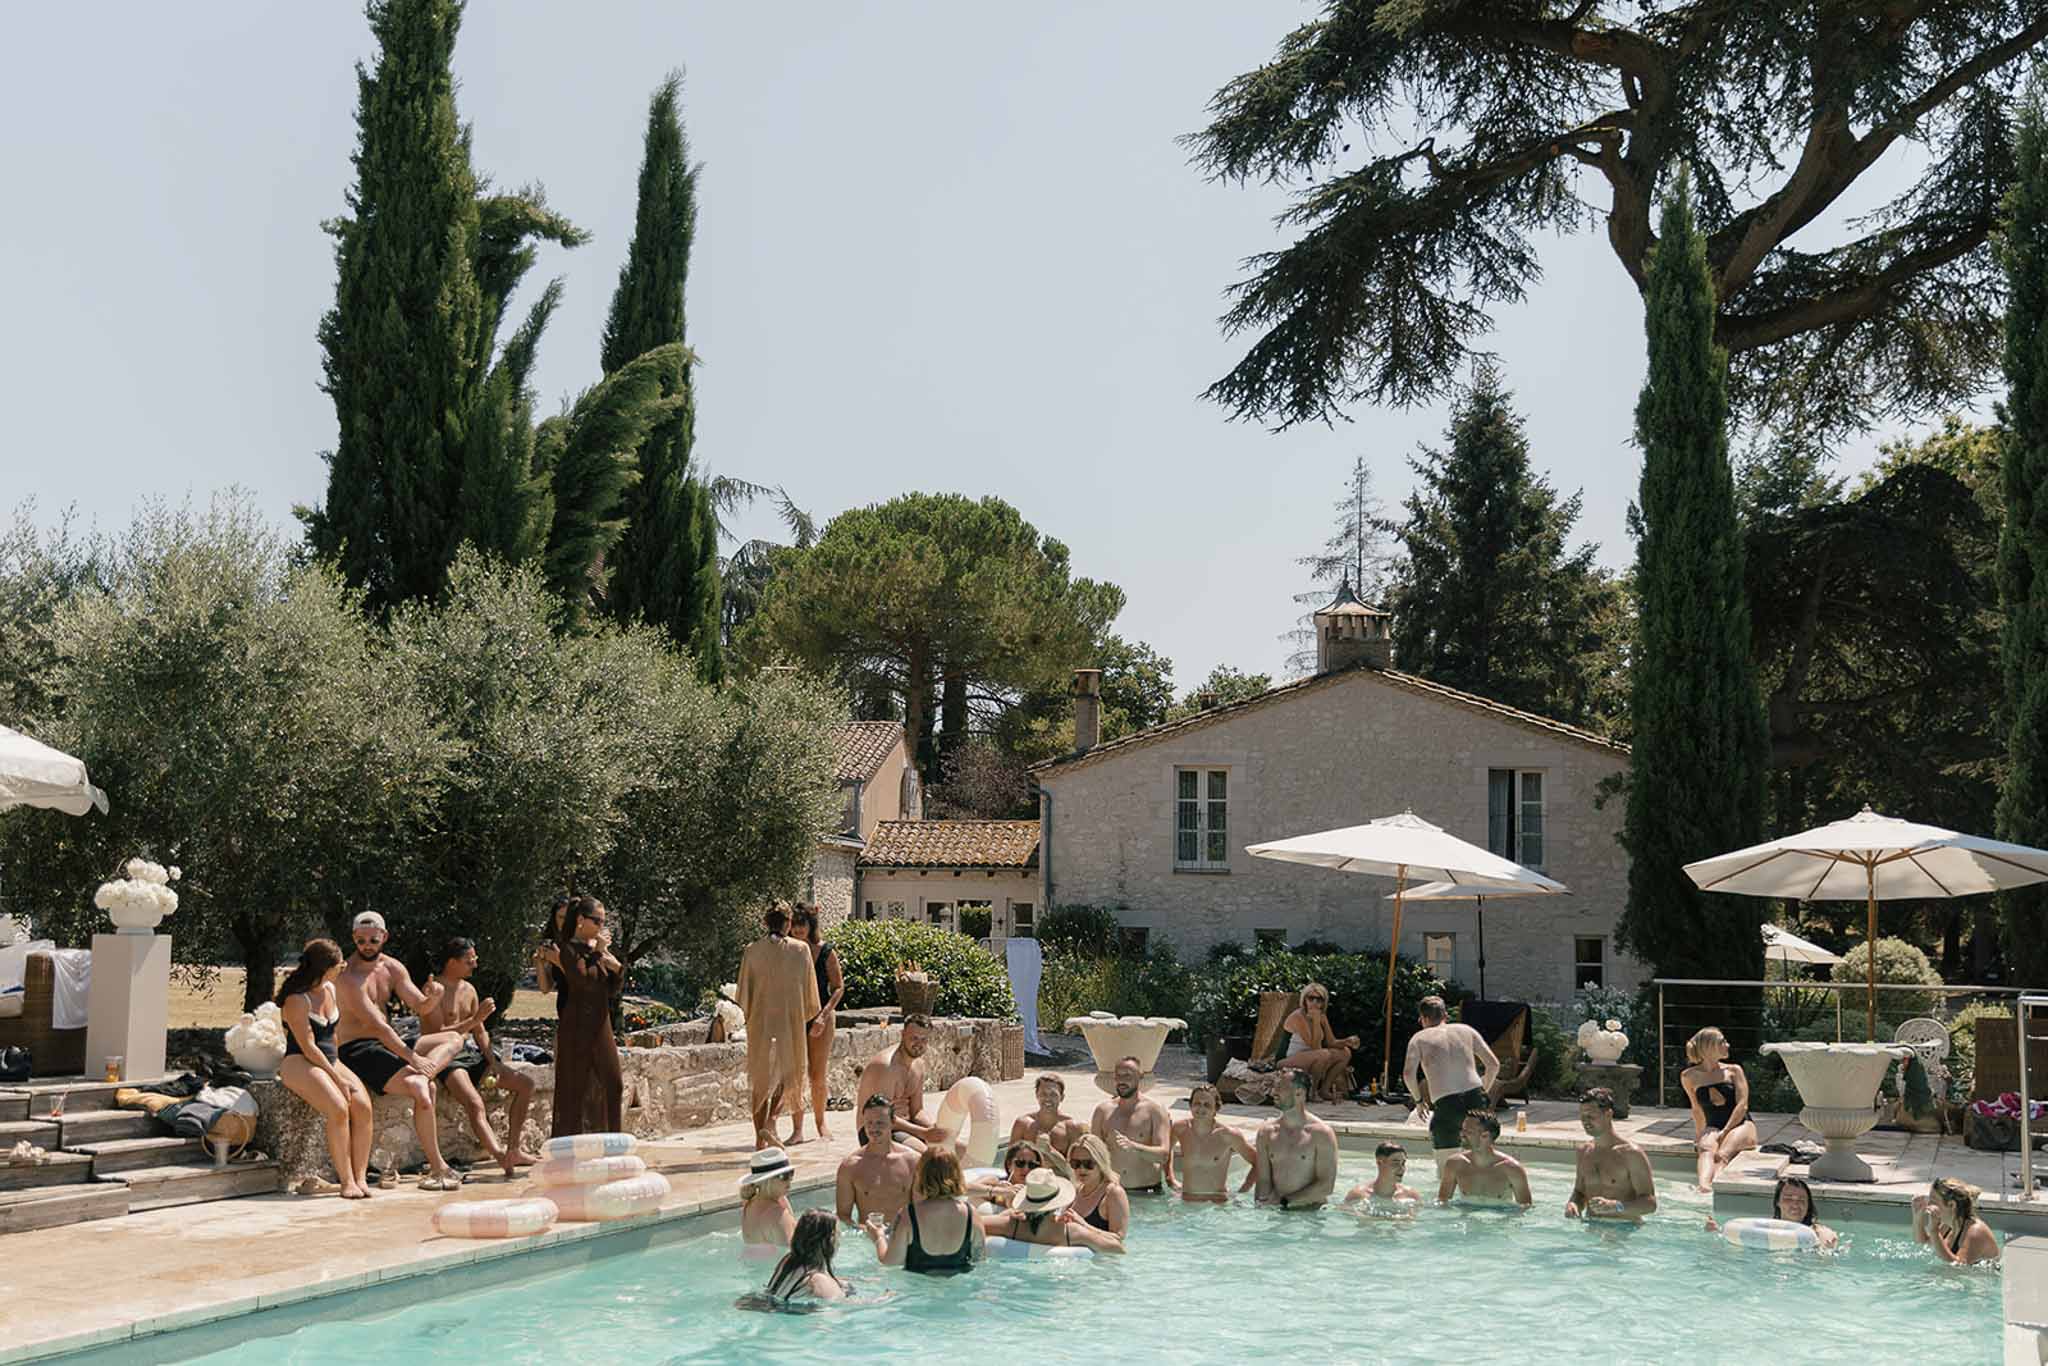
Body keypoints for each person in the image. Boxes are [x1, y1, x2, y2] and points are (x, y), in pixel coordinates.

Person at [334, 911, 468, 1191]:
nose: (366, 945)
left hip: (389, 1043)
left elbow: (420, 1006)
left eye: (372, 939)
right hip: (358, 1048)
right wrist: (414, 1059)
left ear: (384, 937)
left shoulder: (392, 968)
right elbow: (377, 1026)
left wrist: (434, 996)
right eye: (360, 940)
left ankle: (424, 1074)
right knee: (424, 1090)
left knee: (454, 1038)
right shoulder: (348, 976)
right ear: (353, 939)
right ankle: (439, 1167)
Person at [422, 937, 540, 1177]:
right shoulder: (434, 990)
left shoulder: (469, 989)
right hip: (446, 1057)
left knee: (526, 1084)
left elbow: (480, 1031)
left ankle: (514, 1150)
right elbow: (435, 1034)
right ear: (452, 962)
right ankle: (499, 1156)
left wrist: (492, 1061)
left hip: (470, 1053)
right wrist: (476, 1019)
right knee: (474, 1103)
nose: (474, 965)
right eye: (469, 961)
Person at [275, 938, 374, 1200]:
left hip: (330, 1060)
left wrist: (341, 1071)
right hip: (299, 1061)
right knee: (338, 1108)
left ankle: (361, 1176)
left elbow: (333, 1039)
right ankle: (347, 1181)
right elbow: (308, 1047)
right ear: (324, 967)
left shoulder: (330, 989)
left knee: (363, 1106)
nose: (343, 965)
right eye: (338, 962)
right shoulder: (297, 1000)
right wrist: (337, 1079)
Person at [538, 896, 625, 1137]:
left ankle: (612, 1142)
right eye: (597, 921)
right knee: (573, 1088)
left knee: (613, 1083)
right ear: (580, 920)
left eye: (603, 922)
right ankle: (569, 1148)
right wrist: (598, 955)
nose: (601, 927)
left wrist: (616, 967)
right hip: (576, 1024)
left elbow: (610, 988)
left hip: (600, 1022)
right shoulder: (567, 949)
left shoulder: (594, 950)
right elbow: (582, 981)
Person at [737, 906, 823, 1150]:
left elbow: (744, 994)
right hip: (790, 1021)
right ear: (788, 923)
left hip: (760, 1023)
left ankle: (758, 1139)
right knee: (791, 1074)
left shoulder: (752, 951)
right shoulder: (801, 950)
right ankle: (772, 1119)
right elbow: (810, 994)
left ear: (765, 921)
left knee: (759, 1079)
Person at [1402, 995, 1501, 1159]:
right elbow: (1494, 1065)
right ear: (1445, 1016)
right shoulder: (1466, 1030)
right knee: (1480, 1162)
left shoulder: (1419, 1038)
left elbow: (1408, 1074)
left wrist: (1419, 1102)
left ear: (1423, 1019)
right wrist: (1483, 1093)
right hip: (1475, 1098)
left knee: (1446, 1167)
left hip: (1446, 1105)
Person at [866, 1146, 984, 1274]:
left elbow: (890, 1262)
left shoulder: (908, 1215)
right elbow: (979, 1261)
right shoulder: (972, 1214)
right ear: (957, 1175)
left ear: (921, 1175)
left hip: (916, 1290)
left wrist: (878, 1237)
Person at [786, 906, 843, 1146]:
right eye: (795, 924)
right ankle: (797, 1130)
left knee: (817, 1075)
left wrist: (823, 1015)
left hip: (821, 1016)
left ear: (811, 925)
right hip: (794, 1018)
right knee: (795, 1076)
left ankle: (821, 1125)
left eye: (803, 924)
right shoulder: (786, 951)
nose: (798, 929)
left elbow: (838, 987)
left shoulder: (826, 951)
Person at [1680, 1026, 1757, 1193]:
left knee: (1722, 1154)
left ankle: (1715, 1188)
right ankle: (1703, 1187)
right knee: (1706, 1149)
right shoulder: (1688, 1076)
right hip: (1714, 1125)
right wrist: (1699, 1135)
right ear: (1709, 1046)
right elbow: (1696, 1109)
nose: (1728, 1045)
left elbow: (1742, 1105)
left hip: (1741, 1125)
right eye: (1723, 1041)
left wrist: (1726, 1130)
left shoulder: (1734, 1071)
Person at [982, 1166, 1126, 1254]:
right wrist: (1084, 1225)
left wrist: (1005, 1213)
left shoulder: (1010, 1225)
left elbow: (972, 1220)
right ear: (1057, 1203)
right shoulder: (1070, 1231)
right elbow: (1118, 1249)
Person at [1565, 1088, 1656, 1222]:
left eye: (1591, 1116)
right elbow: (1579, 1192)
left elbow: (1650, 1204)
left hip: (1624, 1230)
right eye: (1582, 1116)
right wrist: (1573, 1204)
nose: (1585, 1121)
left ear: (1608, 1114)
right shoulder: (1583, 1152)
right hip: (1591, 1228)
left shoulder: (1631, 1154)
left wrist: (1616, 1206)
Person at [1255, 1067, 1337, 1209]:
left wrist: (1284, 1202)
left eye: (1280, 1087)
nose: (1274, 1092)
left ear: (1299, 1093)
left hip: (1309, 1214)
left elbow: (1326, 1186)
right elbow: (1263, 1181)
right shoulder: (1266, 1133)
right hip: (1278, 1214)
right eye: (1275, 1087)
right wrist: (1260, 1208)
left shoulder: (1321, 1134)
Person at [855, 1013, 941, 1149]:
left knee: (954, 1148)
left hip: (906, 1126)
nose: (919, 1044)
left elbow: (917, 1111)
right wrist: (924, 1133)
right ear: (902, 1034)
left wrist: (933, 1129)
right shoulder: (885, 1066)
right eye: (914, 1038)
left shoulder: (918, 1065)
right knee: (925, 1155)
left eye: (924, 1039)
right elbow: (882, 1115)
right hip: (877, 1129)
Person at [1090, 1055, 1174, 1192]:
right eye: (1118, 1076)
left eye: (1128, 1076)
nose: (1122, 1081)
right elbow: (1092, 1155)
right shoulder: (1102, 1111)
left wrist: (1133, 1147)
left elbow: (1163, 1155)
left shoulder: (1155, 1111)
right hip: (1111, 1190)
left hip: (1147, 1192)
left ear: (1140, 1076)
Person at [836, 1095, 917, 1228]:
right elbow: (843, 1216)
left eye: (880, 1123)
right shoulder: (850, 1167)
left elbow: (922, 1209)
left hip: (904, 1237)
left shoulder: (912, 1161)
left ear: (893, 1122)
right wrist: (866, 1232)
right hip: (868, 1241)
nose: (874, 1129)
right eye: (869, 1123)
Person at [1170, 1082, 1256, 1202]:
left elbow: (1258, 1162)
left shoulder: (1228, 1135)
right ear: (1190, 1105)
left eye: (1207, 1105)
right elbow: (1165, 1151)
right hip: (1188, 1201)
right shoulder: (1180, 1129)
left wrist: (1243, 1191)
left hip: (1216, 1205)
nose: (1201, 1109)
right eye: (1197, 1104)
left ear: (1216, 1109)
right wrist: (1171, 1178)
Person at [1279, 981, 1361, 1102]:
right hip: (1287, 1061)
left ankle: (1324, 1090)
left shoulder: (1322, 1016)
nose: (1315, 1002)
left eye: (1319, 999)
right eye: (1311, 998)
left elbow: (1331, 1042)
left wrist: (1347, 1041)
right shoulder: (1298, 1016)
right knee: (1323, 1054)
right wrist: (1316, 1021)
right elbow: (1315, 1046)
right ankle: (1312, 1092)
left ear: (1324, 1002)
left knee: (1345, 1053)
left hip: (1311, 1057)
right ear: (1304, 1000)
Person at [1707, 1175, 1838, 1250]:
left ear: (1808, 1205)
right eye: (1788, 1198)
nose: (1795, 1204)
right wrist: (1716, 1233)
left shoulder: (1817, 1231)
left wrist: (1827, 1245)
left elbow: (1825, 1245)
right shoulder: (1763, 1229)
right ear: (1777, 1202)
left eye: (1802, 1200)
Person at [1436, 1112, 1532, 1208]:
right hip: (1466, 1221)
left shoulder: (1512, 1169)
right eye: (1462, 1130)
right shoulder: (1454, 1164)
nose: (1462, 1135)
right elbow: (1442, 1203)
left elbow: (1525, 1209)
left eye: (1468, 1132)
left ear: (1485, 1136)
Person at [761, 1209, 850, 1305]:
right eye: (838, 1235)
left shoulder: (788, 1260)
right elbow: (842, 1306)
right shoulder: (818, 1280)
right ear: (830, 1239)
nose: (839, 1241)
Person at [1913, 1177, 2000, 1265]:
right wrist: (1917, 1218)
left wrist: (1934, 1231)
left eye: (1933, 1201)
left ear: (1951, 1205)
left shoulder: (1975, 1231)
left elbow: (1958, 1265)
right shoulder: (1949, 1224)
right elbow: (1924, 1244)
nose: (1929, 1204)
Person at [1063, 1132, 1131, 1239]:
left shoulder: (1113, 1193)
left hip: (1102, 1255)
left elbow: (1119, 1238)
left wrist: (1083, 1225)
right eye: (1075, 1164)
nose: (1081, 1169)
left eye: (1088, 1164)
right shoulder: (1075, 1192)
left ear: (1100, 1162)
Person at [1010, 1072, 1084, 1160]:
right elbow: (1010, 1164)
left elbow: (1075, 1170)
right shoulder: (1022, 1125)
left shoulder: (1072, 1128)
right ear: (1037, 1095)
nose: (1048, 1099)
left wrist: (1049, 1151)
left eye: (1053, 1095)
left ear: (1062, 1097)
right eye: (1043, 1094)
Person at [741, 1147, 799, 1251]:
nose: (790, 1180)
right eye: (784, 1176)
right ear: (767, 1180)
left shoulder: (749, 1203)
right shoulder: (777, 1214)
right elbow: (794, 1255)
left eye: (791, 1173)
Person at [1343, 1140, 1423, 1211]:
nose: (1401, 1168)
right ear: (1380, 1163)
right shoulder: (1358, 1194)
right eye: (1395, 1163)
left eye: (1403, 1163)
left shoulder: (1411, 1196)